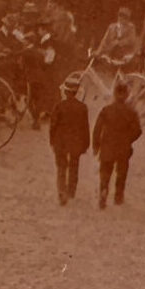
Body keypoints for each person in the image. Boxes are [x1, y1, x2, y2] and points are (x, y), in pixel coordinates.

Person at [91, 79, 143, 207]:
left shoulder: (106, 110)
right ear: (126, 95)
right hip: (123, 148)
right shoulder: (131, 112)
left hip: (107, 147)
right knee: (121, 173)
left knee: (105, 172)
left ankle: (103, 191)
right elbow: (137, 131)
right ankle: (118, 196)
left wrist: (96, 146)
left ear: (114, 94)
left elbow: (97, 129)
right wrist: (128, 140)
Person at [47, 76, 91, 206]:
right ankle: (71, 191)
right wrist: (86, 144)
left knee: (61, 167)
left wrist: (52, 140)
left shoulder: (59, 106)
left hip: (61, 142)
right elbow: (85, 128)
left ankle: (62, 191)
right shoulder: (82, 108)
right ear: (77, 92)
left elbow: (53, 126)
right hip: (76, 143)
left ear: (65, 92)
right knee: (74, 166)